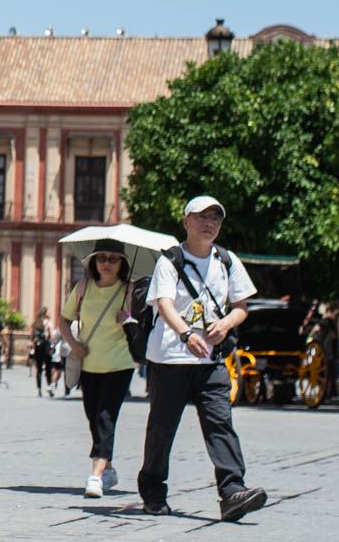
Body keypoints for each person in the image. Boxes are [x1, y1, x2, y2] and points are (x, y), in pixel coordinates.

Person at [138, 196, 268, 522]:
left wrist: (226, 323)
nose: (208, 223)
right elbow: (164, 304)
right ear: (186, 221)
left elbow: (240, 307)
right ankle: (153, 492)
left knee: (220, 423)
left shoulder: (227, 260)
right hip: (170, 358)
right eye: (201, 217)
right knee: (162, 429)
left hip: (210, 361)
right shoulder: (170, 260)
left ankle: (232, 491)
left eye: (215, 218)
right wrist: (186, 334)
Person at [59, 239, 137, 499]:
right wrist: (73, 343)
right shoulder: (82, 287)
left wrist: (128, 318)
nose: (106, 263)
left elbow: (145, 321)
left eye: (113, 259)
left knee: (105, 417)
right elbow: (64, 319)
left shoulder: (129, 290)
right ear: (93, 261)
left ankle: (95, 475)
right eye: (102, 258)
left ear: (122, 264)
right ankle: (109, 467)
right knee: (94, 418)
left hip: (120, 363)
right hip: (89, 363)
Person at [31, 306, 56, 398]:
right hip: (46, 347)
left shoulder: (35, 323)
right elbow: (52, 336)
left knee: (39, 369)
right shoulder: (49, 323)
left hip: (38, 348)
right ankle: (49, 386)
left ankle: (39, 390)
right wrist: (53, 347)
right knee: (48, 368)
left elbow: (32, 337)